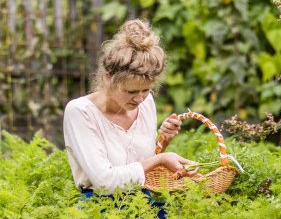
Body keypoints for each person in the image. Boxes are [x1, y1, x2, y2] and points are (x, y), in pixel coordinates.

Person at [63, 19, 197, 207]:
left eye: (146, 90)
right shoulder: (80, 112)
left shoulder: (146, 103)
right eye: (131, 91)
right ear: (108, 78)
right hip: (100, 207)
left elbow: (143, 168)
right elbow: (105, 182)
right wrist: (161, 159)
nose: (140, 98)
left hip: (143, 199)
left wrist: (163, 142)